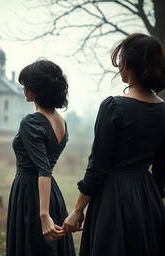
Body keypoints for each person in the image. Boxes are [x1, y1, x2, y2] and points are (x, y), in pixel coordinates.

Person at [63, 33, 165, 256]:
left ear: (126, 64)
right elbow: (162, 170)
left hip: (113, 198)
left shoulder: (114, 106)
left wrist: (77, 210)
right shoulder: (163, 111)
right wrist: (149, 201)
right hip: (149, 199)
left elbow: (98, 166)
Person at [6, 60, 75, 256]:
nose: (23, 89)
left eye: (26, 84)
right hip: (50, 193)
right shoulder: (61, 122)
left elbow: (43, 169)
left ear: (37, 89)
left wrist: (44, 215)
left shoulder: (32, 122)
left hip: (31, 194)